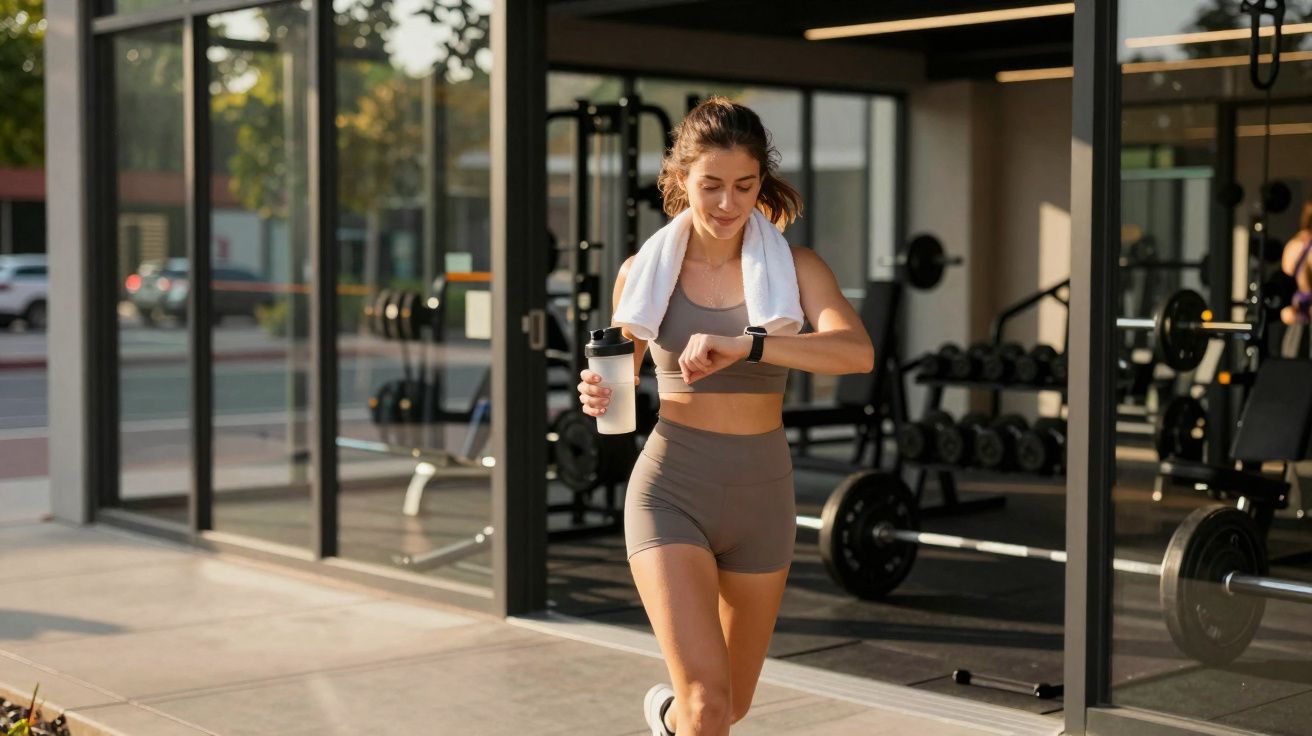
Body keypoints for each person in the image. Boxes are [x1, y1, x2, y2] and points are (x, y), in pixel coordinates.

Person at [575, 97, 874, 736]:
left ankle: (664, 714)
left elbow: (856, 352)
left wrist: (752, 343)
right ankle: (680, 710)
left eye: (744, 186)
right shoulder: (642, 272)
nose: (726, 204)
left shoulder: (795, 269)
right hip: (672, 487)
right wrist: (599, 394)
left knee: (727, 706)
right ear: (680, 180)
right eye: (710, 186)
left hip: (763, 493)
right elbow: (618, 372)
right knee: (709, 707)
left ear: (761, 183)